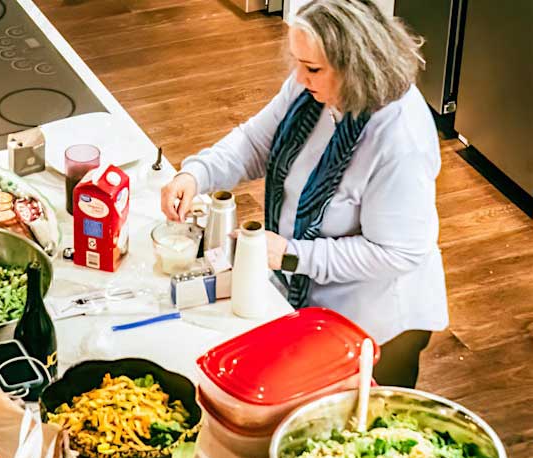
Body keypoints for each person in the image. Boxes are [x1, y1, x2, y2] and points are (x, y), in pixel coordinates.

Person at [160, 0, 447, 387]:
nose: (298, 76)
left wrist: (291, 254)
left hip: (377, 325)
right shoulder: (311, 89)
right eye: (297, 62)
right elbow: (256, 143)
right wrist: (198, 173)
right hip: (311, 296)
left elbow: (397, 251)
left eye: (311, 69)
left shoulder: (399, 138)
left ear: (356, 67)